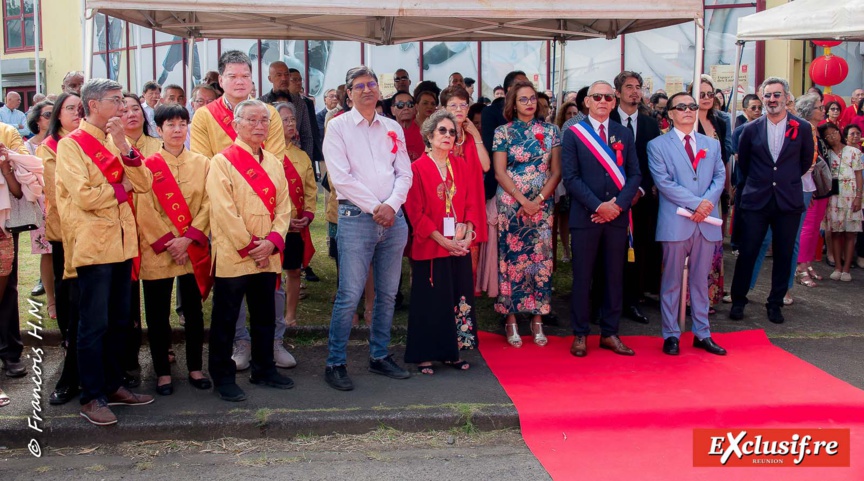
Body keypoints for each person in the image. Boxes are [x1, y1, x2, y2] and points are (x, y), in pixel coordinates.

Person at [55, 78, 155, 426]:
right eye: (115, 101)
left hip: (123, 243)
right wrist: (120, 187)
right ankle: (91, 395)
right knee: (92, 325)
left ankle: (113, 385)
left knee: (118, 322)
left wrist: (124, 147)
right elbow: (84, 197)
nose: (122, 108)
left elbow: (144, 183)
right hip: (94, 247)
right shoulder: (72, 146)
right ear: (93, 105)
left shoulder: (115, 141)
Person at [322, 66, 412, 391]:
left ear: (379, 89)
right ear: (348, 93)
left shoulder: (391, 127)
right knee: (349, 294)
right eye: (358, 85)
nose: (366, 89)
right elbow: (341, 177)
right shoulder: (338, 127)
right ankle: (335, 363)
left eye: (371, 83)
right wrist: (377, 207)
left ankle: (379, 356)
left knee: (388, 294)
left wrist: (392, 205)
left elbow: (404, 173)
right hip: (356, 218)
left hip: (393, 218)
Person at [206, 99, 294, 402]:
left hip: (267, 252)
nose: (259, 126)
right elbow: (223, 210)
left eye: (264, 121)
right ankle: (222, 375)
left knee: (264, 314)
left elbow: (284, 207)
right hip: (235, 253)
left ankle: (264, 368)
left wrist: (272, 241)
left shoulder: (273, 161)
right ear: (236, 124)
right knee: (227, 317)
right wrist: (250, 245)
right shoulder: (222, 161)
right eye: (252, 120)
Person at [135, 104, 212, 396]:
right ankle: (162, 372)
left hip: (191, 248)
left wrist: (189, 238)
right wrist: (170, 241)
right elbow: (144, 208)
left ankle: (195, 366)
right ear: (158, 129)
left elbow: (208, 202)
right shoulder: (146, 164)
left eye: (182, 124)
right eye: (171, 125)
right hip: (160, 248)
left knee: (193, 311)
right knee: (156, 314)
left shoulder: (202, 163)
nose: (177, 130)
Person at [562, 80, 641, 357]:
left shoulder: (623, 133)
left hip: (617, 218)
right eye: (597, 96)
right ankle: (580, 333)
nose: (603, 101)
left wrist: (617, 206)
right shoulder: (573, 134)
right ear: (587, 101)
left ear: (615, 101)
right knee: (583, 277)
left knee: (613, 277)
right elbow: (570, 178)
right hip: (586, 218)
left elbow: (635, 175)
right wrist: (598, 206)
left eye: (608, 97)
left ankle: (609, 333)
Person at [647, 92, 727, 356]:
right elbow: (664, 182)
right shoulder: (657, 146)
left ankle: (702, 333)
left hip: (706, 222)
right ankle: (671, 334)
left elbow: (719, 175)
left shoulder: (711, 144)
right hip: (676, 222)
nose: (688, 110)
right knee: (671, 281)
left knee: (700, 282)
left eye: (692, 106)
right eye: (681, 107)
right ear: (670, 113)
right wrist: (698, 204)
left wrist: (706, 203)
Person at [730, 77, 814, 324]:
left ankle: (775, 303)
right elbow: (743, 163)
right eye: (768, 95)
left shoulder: (803, 127)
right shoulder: (750, 129)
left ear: (787, 97)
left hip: (787, 201)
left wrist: (784, 181)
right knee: (748, 252)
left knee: (785, 254)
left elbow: (805, 161)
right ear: (762, 98)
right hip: (756, 201)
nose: (772, 100)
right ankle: (738, 301)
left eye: (777, 95)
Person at [404, 110, 482, 373]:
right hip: (430, 246)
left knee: (456, 296)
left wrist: (466, 234)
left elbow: (471, 203)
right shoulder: (416, 168)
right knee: (430, 300)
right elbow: (416, 213)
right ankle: (424, 354)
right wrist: (444, 242)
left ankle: (452, 352)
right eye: (442, 131)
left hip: (458, 246)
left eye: (452, 132)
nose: (448, 135)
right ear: (429, 135)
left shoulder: (460, 165)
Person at [492, 80, 562, 347]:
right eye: (523, 99)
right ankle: (510, 318)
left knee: (540, 260)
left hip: (542, 206)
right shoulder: (503, 132)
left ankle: (537, 317)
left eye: (533, 98)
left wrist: (539, 200)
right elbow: (500, 171)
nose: (529, 103)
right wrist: (523, 200)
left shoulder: (551, 130)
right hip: (511, 205)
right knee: (510, 260)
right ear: (513, 103)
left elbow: (556, 171)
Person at [40, 92, 84, 405]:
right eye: (70, 108)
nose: (76, 112)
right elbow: (56, 198)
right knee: (72, 309)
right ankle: (71, 373)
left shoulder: (97, 141)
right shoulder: (49, 149)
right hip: (65, 237)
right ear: (58, 114)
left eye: (81, 107)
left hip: (98, 239)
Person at [610, 71, 663, 324]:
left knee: (637, 252)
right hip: (610, 201)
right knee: (609, 253)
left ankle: (632, 301)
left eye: (638, 87)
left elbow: (654, 164)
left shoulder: (651, 124)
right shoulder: (604, 119)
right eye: (629, 87)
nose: (634, 91)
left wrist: (640, 191)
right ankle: (606, 301)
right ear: (617, 92)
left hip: (640, 200)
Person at [275, 102, 317, 330]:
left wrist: (308, 215)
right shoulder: (265, 154)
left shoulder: (301, 156)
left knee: (293, 271)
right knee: (270, 275)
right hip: (271, 227)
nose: (291, 123)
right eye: (285, 119)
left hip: (296, 226)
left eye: (292, 119)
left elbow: (311, 190)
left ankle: (290, 316)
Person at [695, 77, 729, 312]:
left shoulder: (720, 122)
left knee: (712, 243)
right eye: (701, 93)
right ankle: (687, 298)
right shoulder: (684, 121)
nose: (706, 98)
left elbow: (725, 158)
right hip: (690, 195)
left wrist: (725, 188)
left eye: (710, 94)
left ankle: (707, 296)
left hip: (715, 192)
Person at [0, 122, 28, 384]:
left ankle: (10, 353)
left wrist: (6, 157)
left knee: (7, 286)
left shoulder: (6, 131)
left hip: (3, 221)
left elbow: (23, 181)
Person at [794, 95, 830, 289]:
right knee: (805, 229)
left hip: (812, 185)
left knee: (813, 227)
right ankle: (800, 267)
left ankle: (806, 264)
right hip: (801, 184)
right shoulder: (802, 128)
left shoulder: (817, 130)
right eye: (819, 107)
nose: (822, 110)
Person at [25, 101, 56, 316]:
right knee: (48, 252)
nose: (51, 118)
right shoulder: (29, 146)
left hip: (63, 200)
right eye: (47, 114)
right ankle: (52, 300)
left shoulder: (64, 140)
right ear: (37, 120)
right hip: (41, 202)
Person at [823, 123, 863, 281]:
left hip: (851, 195)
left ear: (840, 133)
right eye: (828, 136)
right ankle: (838, 266)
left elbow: (859, 175)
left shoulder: (854, 151)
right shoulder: (826, 153)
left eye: (834, 133)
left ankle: (847, 268)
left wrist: (859, 197)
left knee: (850, 233)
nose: (832, 137)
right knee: (835, 232)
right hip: (833, 197)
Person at [390, 91, 424, 161]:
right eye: (400, 105)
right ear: (392, 110)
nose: (406, 108)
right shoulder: (388, 132)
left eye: (409, 104)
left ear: (415, 108)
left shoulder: (424, 131)